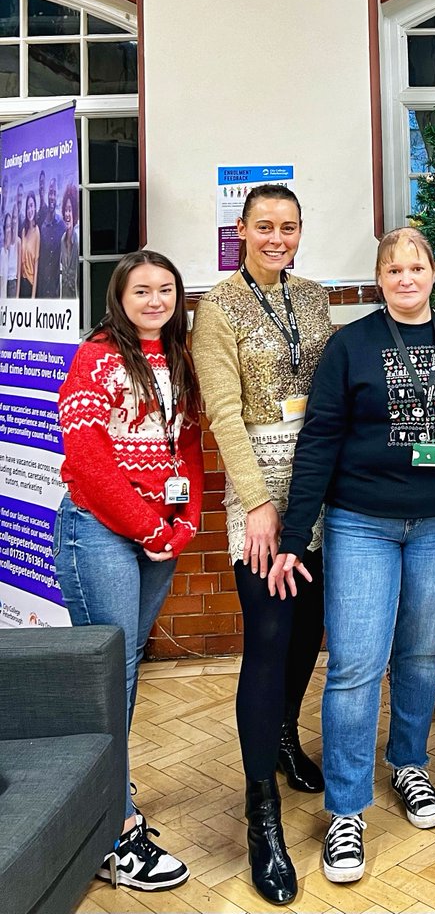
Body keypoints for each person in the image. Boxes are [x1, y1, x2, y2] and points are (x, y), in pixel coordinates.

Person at [268, 226, 435, 886]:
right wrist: (295, 534)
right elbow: (318, 443)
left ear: (433, 275)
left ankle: (410, 763)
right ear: (380, 278)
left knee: (422, 653)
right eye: (392, 269)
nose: (405, 278)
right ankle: (345, 809)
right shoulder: (350, 346)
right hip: (362, 524)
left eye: (416, 267)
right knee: (356, 664)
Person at [191, 183, 332, 907]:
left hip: (318, 494)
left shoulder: (313, 297)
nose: (278, 237)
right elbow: (220, 414)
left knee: (311, 629)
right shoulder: (216, 309)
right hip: (261, 502)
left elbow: (330, 398)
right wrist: (256, 507)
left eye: (289, 227)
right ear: (241, 230)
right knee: (270, 638)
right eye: (265, 226)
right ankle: (261, 815)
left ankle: (283, 734)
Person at [54, 250, 203, 892]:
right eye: (140, 290)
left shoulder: (180, 357)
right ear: (118, 297)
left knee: (127, 663)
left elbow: (189, 446)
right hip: (102, 530)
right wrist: (146, 528)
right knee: (108, 670)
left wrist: (184, 524)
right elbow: (86, 458)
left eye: (165, 289)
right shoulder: (96, 358)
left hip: (159, 536)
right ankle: (112, 832)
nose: (153, 300)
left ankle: (107, 792)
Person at [37, 176, 65, 299]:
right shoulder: (41, 221)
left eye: (54, 193)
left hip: (55, 289)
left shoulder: (62, 225)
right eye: (50, 193)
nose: (51, 197)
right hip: (41, 287)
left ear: (57, 196)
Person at [59, 182, 80, 299]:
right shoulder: (62, 240)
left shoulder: (78, 240)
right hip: (65, 300)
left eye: (70, 210)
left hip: (77, 299)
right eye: (65, 210)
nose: (67, 214)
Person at [19, 192, 39, 297]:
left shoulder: (37, 232)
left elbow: (36, 266)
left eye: (31, 206)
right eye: (27, 207)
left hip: (30, 284)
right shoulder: (23, 231)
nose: (29, 210)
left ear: (35, 207)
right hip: (21, 282)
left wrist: (33, 296)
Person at [1, 213, 18, 297]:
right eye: (7, 226)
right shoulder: (2, 251)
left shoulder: (14, 245)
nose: (9, 229)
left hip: (11, 285)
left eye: (10, 226)